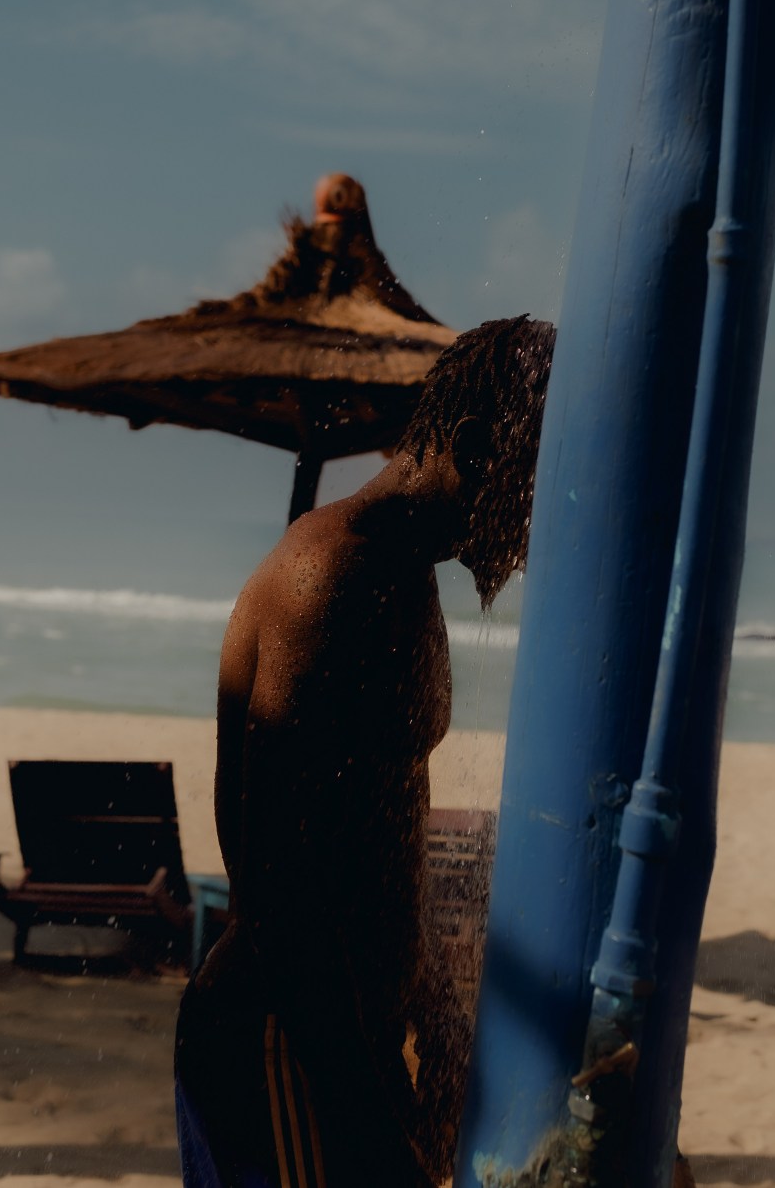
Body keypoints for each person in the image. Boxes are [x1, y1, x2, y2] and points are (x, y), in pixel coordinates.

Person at [175, 315, 557, 1187]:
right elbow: (276, 877)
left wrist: (433, 1012)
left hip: (337, 1038)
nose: (537, 522)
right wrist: (364, 1107)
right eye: (533, 478)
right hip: (285, 1039)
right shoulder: (332, 579)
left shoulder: (398, 571)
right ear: (469, 443)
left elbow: (377, 829)